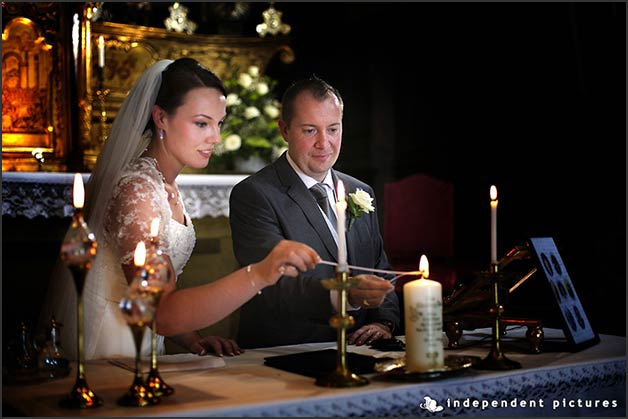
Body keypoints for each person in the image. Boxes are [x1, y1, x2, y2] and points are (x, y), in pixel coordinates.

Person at [39, 58, 320, 361]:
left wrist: (193, 341)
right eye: (202, 123)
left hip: (145, 343)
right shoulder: (137, 192)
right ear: (160, 117)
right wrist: (260, 274)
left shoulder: (164, 184)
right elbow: (159, 310)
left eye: (219, 123)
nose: (216, 137)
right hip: (107, 347)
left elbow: (160, 298)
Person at [229, 76, 400, 348]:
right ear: (284, 130)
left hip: (363, 349)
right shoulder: (255, 194)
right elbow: (273, 286)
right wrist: (346, 296)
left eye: (332, 129)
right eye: (310, 130)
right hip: (287, 353)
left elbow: (380, 268)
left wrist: (384, 322)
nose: (324, 143)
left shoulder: (361, 190)